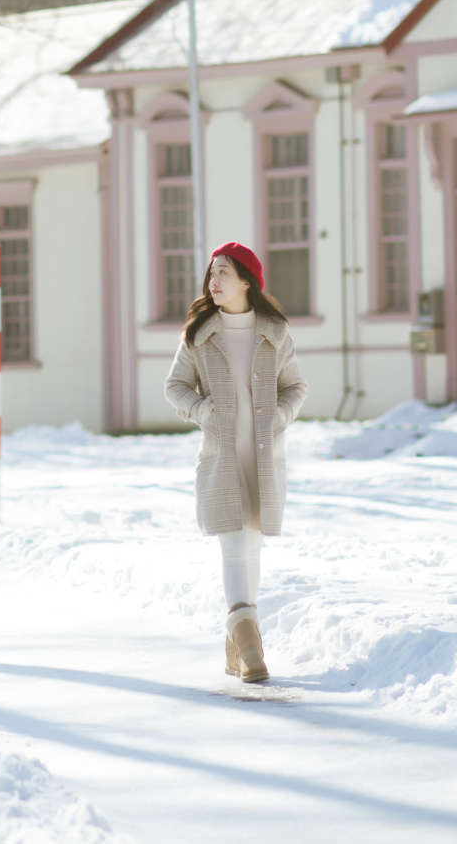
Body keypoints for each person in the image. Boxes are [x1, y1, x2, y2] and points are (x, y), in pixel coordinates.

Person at [163, 242, 308, 683]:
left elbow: (296, 387)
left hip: (264, 457)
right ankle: (249, 646)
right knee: (232, 546)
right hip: (222, 457)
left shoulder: (274, 333)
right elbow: (175, 387)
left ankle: (238, 643)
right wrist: (203, 410)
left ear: (246, 280)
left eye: (223, 272)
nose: (214, 281)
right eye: (211, 273)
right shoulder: (200, 334)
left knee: (252, 546)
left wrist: (281, 416)